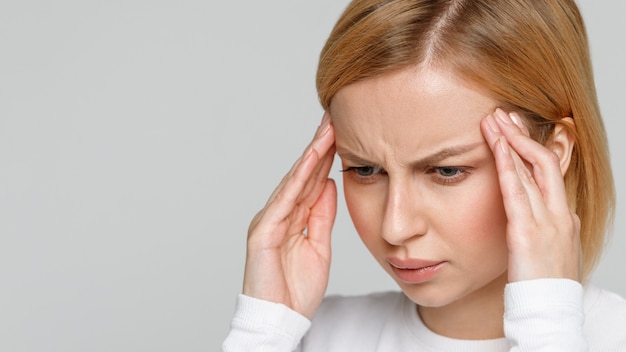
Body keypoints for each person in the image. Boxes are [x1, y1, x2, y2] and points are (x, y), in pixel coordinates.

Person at [223, 0, 626, 350]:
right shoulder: (306, 337)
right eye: (365, 169)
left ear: (551, 156)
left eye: (447, 170)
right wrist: (262, 331)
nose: (395, 228)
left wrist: (548, 327)